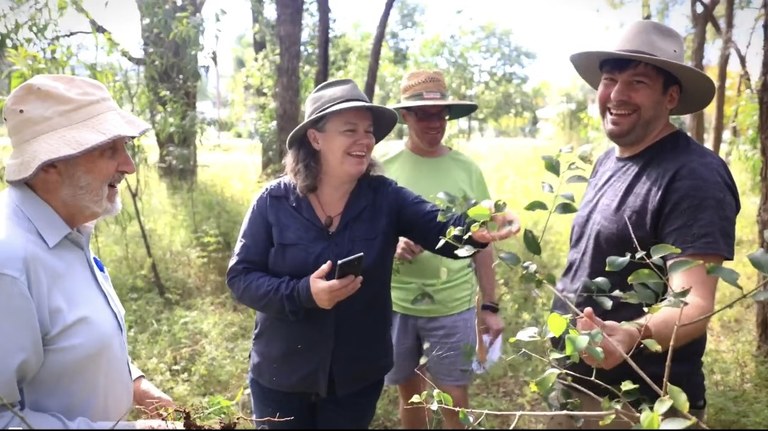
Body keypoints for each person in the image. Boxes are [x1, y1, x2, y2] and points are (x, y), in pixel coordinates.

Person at [225, 78, 520, 430]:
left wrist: (475, 227)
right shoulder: (273, 202)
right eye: (349, 130)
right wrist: (304, 293)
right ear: (315, 138)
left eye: (367, 131)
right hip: (282, 374)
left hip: (356, 376)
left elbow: (441, 230)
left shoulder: (385, 197)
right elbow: (242, 277)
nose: (364, 140)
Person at [547, 20, 741, 429]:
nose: (616, 94)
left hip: (639, 404)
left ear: (671, 97)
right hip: (577, 382)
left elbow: (695, 302)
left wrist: (632, 334)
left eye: (637, 82)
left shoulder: (694, 176)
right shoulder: (607, 161)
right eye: (610, 79)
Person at [0, 74, 177, 429]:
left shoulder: (68, 225)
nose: (128, 165)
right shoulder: (10, 266)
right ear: (50, 164)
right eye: (109, 150)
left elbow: (74, 343)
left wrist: (134, 383)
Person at [379, 69, 502, 429]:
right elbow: (365, 233)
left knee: (454, 396)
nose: (434, 123)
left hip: (453, 305)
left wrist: (490, 306)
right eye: (424, 114)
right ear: (405, 116)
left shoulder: (466, 170)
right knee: (409, 394)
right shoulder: (383, 167)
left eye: (440, 114)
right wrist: (392, 244)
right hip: (397, 303)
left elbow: (482, 243)